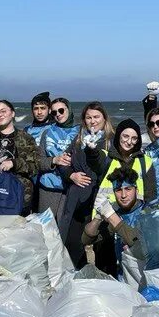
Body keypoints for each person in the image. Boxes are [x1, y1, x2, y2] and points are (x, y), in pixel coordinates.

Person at [59, 102, 116, 261]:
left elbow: (108, 168)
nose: (93, 121)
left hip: (101, 196)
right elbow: (63, 163)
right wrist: (71, 175)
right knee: (73, 243)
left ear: (105, 119)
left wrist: (93, 152)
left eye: (97, 117)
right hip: (77, 198)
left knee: (102, 245)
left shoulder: (112, 140)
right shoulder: (78, 140)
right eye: (88, 117)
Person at [82, 166, 147, 276]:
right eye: (118, 190)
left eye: (128, 189)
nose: (123, 195)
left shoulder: (148, 212)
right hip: (123, 276)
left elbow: (139, 246)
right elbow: (86, 240)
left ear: (137, 190)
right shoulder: (115, 212)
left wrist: (111, 215)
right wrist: (98, 218)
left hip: (147, 275)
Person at [29, 95, 80, 219]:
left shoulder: (80, 132)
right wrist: (54, 160)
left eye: (61, 110)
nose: (58, 114)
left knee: (66, 231)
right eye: (54, 112)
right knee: (46, 228)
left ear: (69, 110)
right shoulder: (47, 133)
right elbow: (38, 160)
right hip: (48, 188)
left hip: (71, 187)